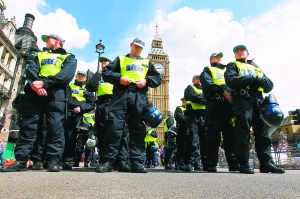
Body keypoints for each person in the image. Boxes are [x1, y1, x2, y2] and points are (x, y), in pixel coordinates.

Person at [1, 34, 77, 172]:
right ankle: (21, 160)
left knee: (55, 127)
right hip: (35, 93)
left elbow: (66, 75)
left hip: (56, 94)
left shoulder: (69, 57)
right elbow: (31, 71)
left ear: (57, 40)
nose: (46, 41)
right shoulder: (39, 55)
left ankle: (54, 160)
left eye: (48, 38)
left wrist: (44, 83)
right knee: (29, 126)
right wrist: (37, 85)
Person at [96, 37, 162, 173]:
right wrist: (119, 78)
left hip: (139, 96)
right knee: (114, 127)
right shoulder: (120, 59)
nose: (138, 49)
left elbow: (158, 78)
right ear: (131, 45)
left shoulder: (146, 62)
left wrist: (146, 81)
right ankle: (108, 161)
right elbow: (107, 72)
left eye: (141, 48)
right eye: (136, 46)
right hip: (121, 94)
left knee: (138, 129)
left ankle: (136, 162)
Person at [224, 44, 285, 174]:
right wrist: (253, 78)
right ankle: (244, 163)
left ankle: (266, 163)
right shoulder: (232, 65)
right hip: (242, 99)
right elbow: (231, 81)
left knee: (263, 132)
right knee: (243, 130)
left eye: (242, 50)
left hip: (258, 100)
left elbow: (269, 85)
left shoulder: (256, 67)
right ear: (235, 55)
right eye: (237, 51)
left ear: (248, 53)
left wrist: (256, 78)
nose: (240, 52)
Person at [86, 56, 131, 172]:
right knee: (101, 133)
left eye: (106, 62)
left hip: (115, 103)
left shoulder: (116, 74)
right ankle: (105, 160)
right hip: (101, 104)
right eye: (102, 62)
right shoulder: (98, 75)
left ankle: (121, 161)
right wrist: (98, 74)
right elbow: (90, 87)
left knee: (119, 133)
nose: (103, 64)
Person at [200, 52, 239, 172]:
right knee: (213, 136)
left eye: (220, 57)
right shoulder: (207, 70)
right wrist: (223, 91)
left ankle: (233, 164)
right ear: (210, 59)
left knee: (230, 136)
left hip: (228, 106)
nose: (219, 58)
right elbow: (208, 85)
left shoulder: (228, 70)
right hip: (214, 104)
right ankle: (211, 164)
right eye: (216, 56)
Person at [62, 71, 95, 170]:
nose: (81, 77)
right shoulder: (69, 85)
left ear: (86, 78)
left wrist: (81, 108)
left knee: (71, 138)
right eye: (79, 75)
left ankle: (67, 160)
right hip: (65, 111)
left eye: (83, 76)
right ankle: (55, 158)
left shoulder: (88, 89)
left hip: (77, 114)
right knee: (60, 136)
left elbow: (91, 103)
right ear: (75, 76)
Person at [182, 75, 208, 172]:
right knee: (192, 140)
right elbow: (193, 97)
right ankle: (189, 163)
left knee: (205, 141)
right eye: (197, 78)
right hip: (193, 116)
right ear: (193, 80)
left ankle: (206, 164)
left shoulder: (206, 88)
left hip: (204, 117)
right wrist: (205, 99)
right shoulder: (189, 88)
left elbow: (206, 99)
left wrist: (202, 99)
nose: (199, 80)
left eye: (200, 79)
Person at [174, 98, 187, 170]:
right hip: (182, 129)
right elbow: (179, 118)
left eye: (184, 100)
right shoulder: (179, 108)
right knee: (181, 146)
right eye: (182, 100)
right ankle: (179, 163)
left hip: (190, 129)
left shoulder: (191, 109)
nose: (183, 102)